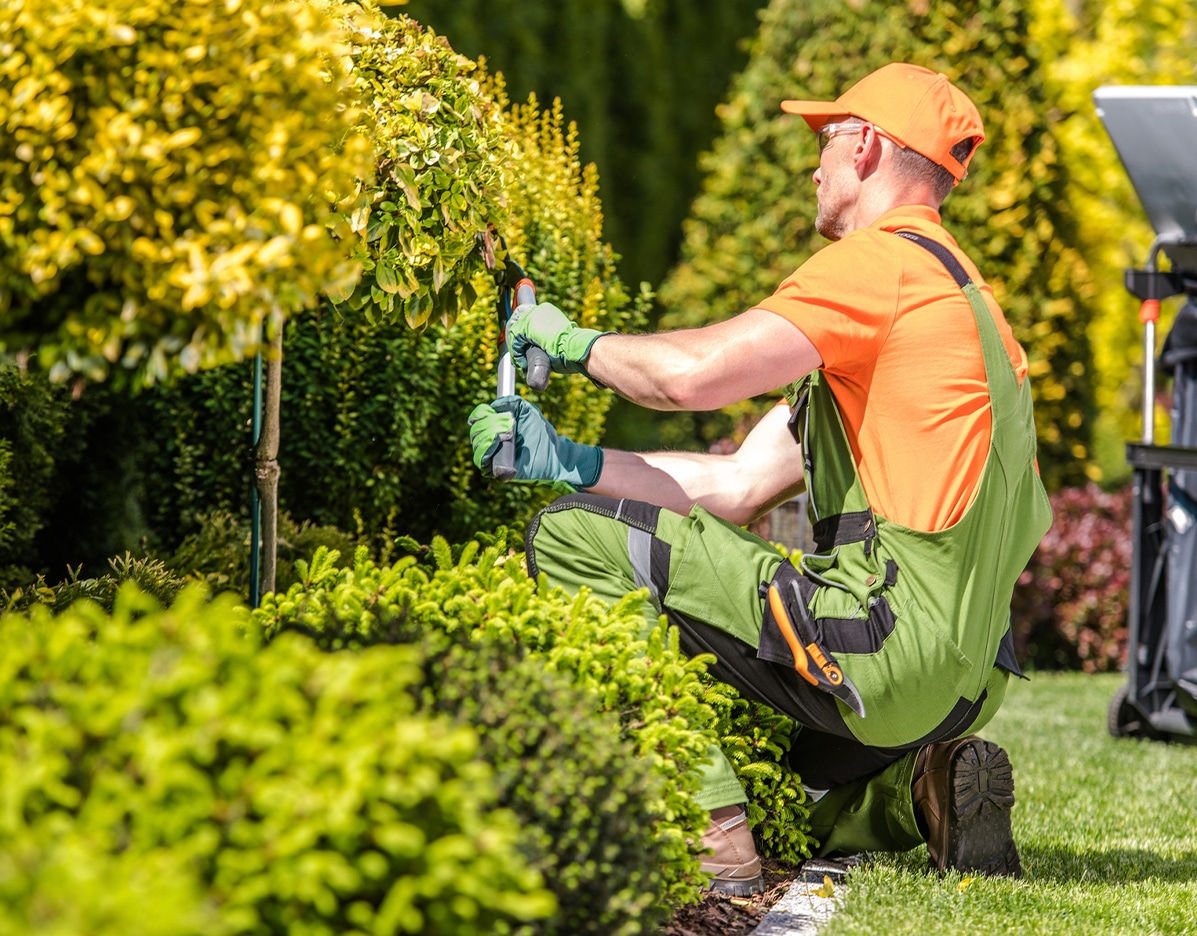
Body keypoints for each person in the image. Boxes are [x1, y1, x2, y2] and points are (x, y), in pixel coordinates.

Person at [468, 62, 1052, 895]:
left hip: (882, 647)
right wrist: (567, 460)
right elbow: (738, 485)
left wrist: (569, 342)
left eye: (826, 139)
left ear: (869, 149)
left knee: (568, 536)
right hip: (963, 683)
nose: (812, 163)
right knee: (774, 768)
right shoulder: (964, 306)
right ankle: (916, 793)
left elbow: (689, 378)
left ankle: (711, 840)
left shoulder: (879, 266)